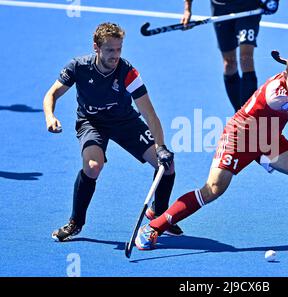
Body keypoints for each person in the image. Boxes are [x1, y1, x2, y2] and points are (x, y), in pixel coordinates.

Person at [135, 53, 288, 252]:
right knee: (212, 190)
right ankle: (154, 227)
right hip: (240, 136)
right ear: (285, 75)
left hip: (267, 137)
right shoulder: (276, 94)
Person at [43, 22, 183, 241]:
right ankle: (75, 223)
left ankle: (159, 216)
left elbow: (149, 113)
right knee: (92, 166)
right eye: (110, 50)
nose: (115, 55)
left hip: (125, 121)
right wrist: (50, 116)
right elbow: (51, 94)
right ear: (96, 48)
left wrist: (161, 146)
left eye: (119, 49)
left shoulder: (128, 73)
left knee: (167, 164)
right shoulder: (77, 67)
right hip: (92, 122)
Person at [181, 0, 278, 111]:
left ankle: (250, 116)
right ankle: (239, 115)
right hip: (221, 9)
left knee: (246, 59)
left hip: (248, 7)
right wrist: (187, 10)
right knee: (229, 65)